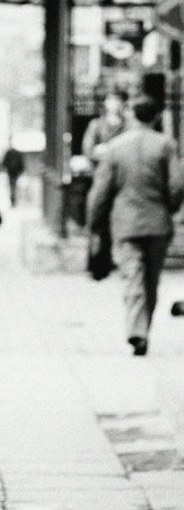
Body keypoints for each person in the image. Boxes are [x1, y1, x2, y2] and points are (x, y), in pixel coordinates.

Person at [88, 96, 183, 356]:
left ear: (131, 115)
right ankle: (142, 330)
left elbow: (101, 191)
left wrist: (95, 222)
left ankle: (137, 330)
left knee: (133, 276)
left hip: (125, 222)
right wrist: (169, 208)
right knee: (151, 280)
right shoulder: (166, 145)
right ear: (157, 117)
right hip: (158, 223)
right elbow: (176, 186)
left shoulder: (115, 147)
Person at [82, 90, 127, 168]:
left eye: (117, 100)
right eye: (110, 100)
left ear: (122, 103)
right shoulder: (96, 124)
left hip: (122, 168)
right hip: (101, 168)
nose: (114, 104)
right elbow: (88, 151)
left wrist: (105, 149)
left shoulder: (127, 125)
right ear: (105, 103)